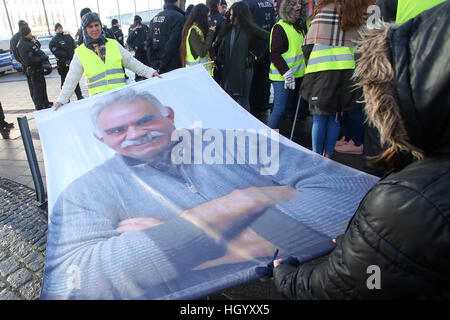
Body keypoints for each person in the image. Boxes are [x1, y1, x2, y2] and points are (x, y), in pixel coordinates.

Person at [41, 87, 375, 299]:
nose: (136, 134)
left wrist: (173, 240)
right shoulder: (86, 191)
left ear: (169, 117)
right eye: (118, 130)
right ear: (102, 140)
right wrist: (247, 200)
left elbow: (351, 191)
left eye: (145, 121)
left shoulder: (235, 142)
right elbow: (71, 284)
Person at [273, 1, 450, 299]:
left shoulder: (405, 202)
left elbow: (348, 284)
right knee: (328, 119)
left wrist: (286, 276)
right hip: (342, 72)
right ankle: (324, 155)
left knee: (322, 117)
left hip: (323, 74)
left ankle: (321, 155)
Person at [300, 0, 371, 158]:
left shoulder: (326, 9)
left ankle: (316, 155)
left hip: (321, 70)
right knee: (335, 116)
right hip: (347, 71)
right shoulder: (358, 11)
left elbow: (308, 44)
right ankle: (329, 155)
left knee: (319, 117)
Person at [53, 12, 160, 111]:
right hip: (99, 104)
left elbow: (132, 63)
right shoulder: (80, 52)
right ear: (85, 29)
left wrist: (150, 72)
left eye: (96, 25)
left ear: (101, 26)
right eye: (90, 26)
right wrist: (61, 100)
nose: (94, 29)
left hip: (121, 98)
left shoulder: (113, 44)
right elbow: (72, 78)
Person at [217, 1, 269, 112]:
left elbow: (269, 38)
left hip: (244, 70)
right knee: (230, 99)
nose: (230, 17)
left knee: (243, 100)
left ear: (239, 15)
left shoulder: (250, 28)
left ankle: (245, 127)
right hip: (229, 70)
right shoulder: (228, 28)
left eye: (232, 14)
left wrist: (255, 56)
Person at [268, 0, 308, 129]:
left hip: (297, 75)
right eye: (294, 4)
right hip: (282, 76)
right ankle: (268, 139)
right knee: (279, 109)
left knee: (289, 109)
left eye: (300, 3)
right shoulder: (280, 27)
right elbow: (274, 54)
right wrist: (286, 72)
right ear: (287, 7)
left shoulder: (299, 27)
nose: (298, 6)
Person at [243, 0, 275, 122]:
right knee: (264, 80)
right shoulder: (269, 5)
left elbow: (248, 26)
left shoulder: (249, 4)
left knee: (253, 82)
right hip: (267, 46)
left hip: (254, 48)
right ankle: (263, 106)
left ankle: (254, 110)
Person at [17, 25, 52, 111]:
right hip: (33, 70)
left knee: (42, 87)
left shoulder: (29, 41)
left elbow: (37, 49)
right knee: (37, 89)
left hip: (38, 69)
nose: (31, 34)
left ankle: (45, 103)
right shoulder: (23, 44)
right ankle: (39, 106)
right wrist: (41, 58)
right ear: (26, 33)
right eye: (30, 32)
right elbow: (28, 60)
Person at [146, 0, 186, 74]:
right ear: (177, 1)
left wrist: (154, 63)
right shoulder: (179, 17)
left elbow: (149, 42)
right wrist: (162, 62)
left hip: (158, 66)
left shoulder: (154, 18)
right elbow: (173, 43)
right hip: (174, 65)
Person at [50, 23, 84, 101]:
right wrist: (65, 55)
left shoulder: (67, 37)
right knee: (64, 80)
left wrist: (72, 54)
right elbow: (55, 51)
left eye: (60, 28)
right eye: (58, 29)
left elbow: (74, 45)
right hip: (62, 63)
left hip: (71, 60)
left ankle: (79, 96)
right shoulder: (54, 40)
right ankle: (65, 99)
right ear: (55, 30)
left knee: (75, 79)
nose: (60, 30)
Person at [10, 20, 39, 109]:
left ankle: (42, 101)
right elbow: (16, 54)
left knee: (39, 84)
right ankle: (37, 102)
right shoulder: (16, 39)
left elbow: (37, 46)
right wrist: (25, 62)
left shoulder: (29, 36)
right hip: (27, 64)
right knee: (33, 85)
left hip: (35, 63)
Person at [180, 3, 216, 76]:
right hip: (198, 75)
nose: (209, 19)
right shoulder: (193, 31)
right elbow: (202, 52)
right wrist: (211, 33)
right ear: (201, 17)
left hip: (200, 73)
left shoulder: (197, 29)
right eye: (208, 16)